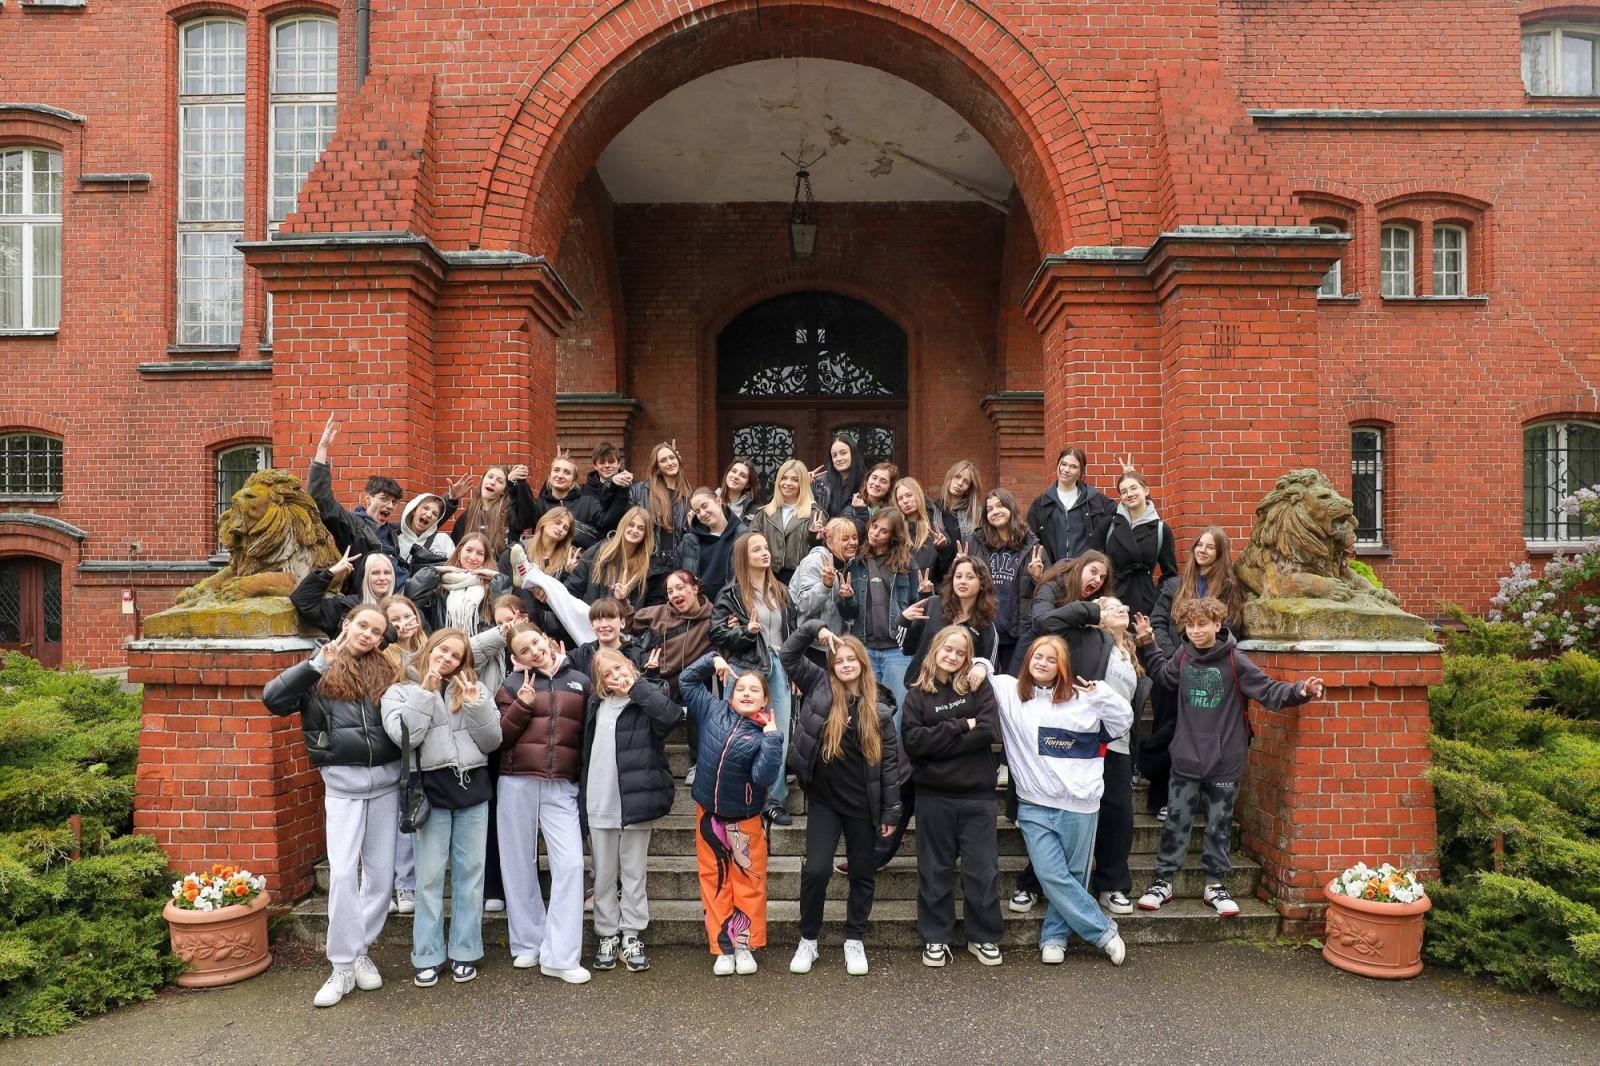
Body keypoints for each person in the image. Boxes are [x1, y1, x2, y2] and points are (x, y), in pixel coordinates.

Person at [1135, 597, 1325, 916]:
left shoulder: (1236, 660)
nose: (1195, 631)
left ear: (1217, 625)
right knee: (1177, 822)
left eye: (1202, 624)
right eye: (1190, 625)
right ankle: (1163, 882)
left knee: (1218, 826)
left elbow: (1268, 690)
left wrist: (1300, 691)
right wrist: (1147, 643)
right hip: (1185, 759)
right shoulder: (1183, 655)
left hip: (1224, 761)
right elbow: (1163, 677)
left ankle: (1214, 884)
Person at [262, 604, 401, 1007]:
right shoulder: (318, 666)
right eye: (363, 626)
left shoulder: (386, 669)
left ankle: (361, 952)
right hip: (342, 785)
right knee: (342, 873)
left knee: (380, 876)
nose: (368, 635)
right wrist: (314, 665)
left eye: (376, 631)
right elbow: (273, 700)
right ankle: (341, 964)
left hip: (386, 785)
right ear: (347, 624)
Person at [987, 635, 1133, 966]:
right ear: (1027, 660)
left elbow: (1123, 722)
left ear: (1062, 666)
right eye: (1037, 656)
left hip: (1080, 806)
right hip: (1034, 804)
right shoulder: (1011, 693)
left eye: (1051, 659)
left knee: (1072, 876)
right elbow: (979, 668)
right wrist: (981, 665)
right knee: (1051, 874)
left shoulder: (1084, 699)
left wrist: (1102, 694)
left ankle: (1054, 938)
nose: (1042, 663)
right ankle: (1103, 931)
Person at [780, 620, 902, 977]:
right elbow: (788, 655)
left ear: (863, 664)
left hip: (864, 805)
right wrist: (816, 629)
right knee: (816, 870)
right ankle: (809, 940)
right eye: (839, 659)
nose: (845, 664)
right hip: (825, 801)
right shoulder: (819, 685)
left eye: (852, 659)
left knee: (862, 872)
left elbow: (891, 763)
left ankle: (854, 938)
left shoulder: (878, 708)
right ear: (831, 664)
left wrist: (891, 813)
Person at [382, 628, 501, 987]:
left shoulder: (474, 689)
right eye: (443, 651)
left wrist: (475, 701)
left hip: (472, 787)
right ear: (430, 648)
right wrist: (426, 692)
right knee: (430, 878)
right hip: (431, 790)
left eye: (456, 656)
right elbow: (405, 737)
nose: (447, 659)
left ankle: (465, 951)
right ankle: (427, 955)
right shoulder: (400, 690)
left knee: (470, 875)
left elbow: (492, 741)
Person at [495, 625, 593, 984]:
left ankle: (561, 955)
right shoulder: (509, 685)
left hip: (561, 785)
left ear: (548, 640)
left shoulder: (581, 681)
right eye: (525, 649)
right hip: (516, 780)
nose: (534, 651)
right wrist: (521, 705)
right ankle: (527, 943)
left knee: (569, 864)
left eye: (536, 642)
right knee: (518, 862)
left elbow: (588, 734)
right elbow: (499, 738)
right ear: (516, 658)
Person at [902, 625, 1003, 967]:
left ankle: (984, 936)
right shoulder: (918, 694)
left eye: (961, 652)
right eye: (948, 649)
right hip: (933, 795)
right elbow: (914, 743)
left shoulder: (979, 686)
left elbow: (988, 730)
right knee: (935, 869)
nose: (953, 656)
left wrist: (938, 742)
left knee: (982, 870)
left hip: (977, 795)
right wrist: (962, 726)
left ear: (967, 657)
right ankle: (935, 937)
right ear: (935, 649)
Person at [678, 651, 784, 976]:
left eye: (755, 690)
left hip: (744, 819)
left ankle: (744, 945)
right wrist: (712, 660)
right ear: (731, 692)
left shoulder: (764, 734)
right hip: (709, 816)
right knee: (714, 880)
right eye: (741, 689)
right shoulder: (713, 710)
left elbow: (764, 778)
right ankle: (722, 947)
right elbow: (686, 681)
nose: (747, 694)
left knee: (747, 882)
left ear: (765, 699)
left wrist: (773, 740)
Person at [581, 647, 683, 974]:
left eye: (619, 668)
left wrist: (638, 688)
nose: (615, 676)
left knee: (634, 873)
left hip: (636, 800)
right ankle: (607, 934)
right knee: (604, 875)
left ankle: (631, 934)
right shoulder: (595, 704)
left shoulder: (648, 696)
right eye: (607, 673)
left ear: (630, 665)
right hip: (599, 799)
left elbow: (670, 717)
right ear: (600, 680)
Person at [1143, 526, 1246, 820]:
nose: (1202, 550)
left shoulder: (1228, 589)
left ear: (1220, 553)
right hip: (1172, 670)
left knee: (1201, 736)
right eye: (1199, 545)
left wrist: (1204, 656)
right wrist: (1172, 654)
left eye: (1209, 547)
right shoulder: (1174, 585)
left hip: (1208, 674)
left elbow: (1232, 628)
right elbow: (1158, 622)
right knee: (1168, 733)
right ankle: (1162, 798)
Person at [709, 532, 795, 825]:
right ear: (743, 557)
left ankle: (774, 799)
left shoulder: (780, 590)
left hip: (780, 666)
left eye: (766, 547)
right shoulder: (731, 593)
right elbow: (717, 633)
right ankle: (737, 795)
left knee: (778, 732)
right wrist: (747, 632)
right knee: (736, 734)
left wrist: (795, 669)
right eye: (757, 549)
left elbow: (792, 634)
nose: (765, 552)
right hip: (745, 668)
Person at [632, 570, 715, 780]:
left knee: (698, 693)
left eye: (680, 588)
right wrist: (622, 598)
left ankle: (698, 764)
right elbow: (627, 620)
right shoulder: (660, 612)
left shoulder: (713, 618)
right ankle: (646, 762)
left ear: (695, 588)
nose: (674, 594)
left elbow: (727, 640)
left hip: (690, 682)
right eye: (670, 591)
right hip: (661, 679)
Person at [836, 509, 920, 714]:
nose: (876, 533)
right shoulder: (855, 564)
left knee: (896, 712)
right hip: (864, 649)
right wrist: (846, 599)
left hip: (897, 650)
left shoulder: (906, 564)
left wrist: (926, 594)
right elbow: (849, 614)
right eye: (874, 526)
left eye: (883, 531)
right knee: (865, 712)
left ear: (893, 536)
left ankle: (893, 748)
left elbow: (917, 607)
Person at [306, 413, 407, 579]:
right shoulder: (353, 524)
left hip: (398, 594)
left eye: (394, 502)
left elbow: (419, 521)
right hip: (369, 596)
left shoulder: (392, 531)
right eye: (384, 499)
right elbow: (321, 500)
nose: (390, 506)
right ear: (368, 498)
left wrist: (450, 500)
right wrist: (322, 449)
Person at [965, 488, 1046, 670]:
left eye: (1000, 506)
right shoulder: (974, 543)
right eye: (990, 509)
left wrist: (1037, 578)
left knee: (1012, 687)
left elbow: (1048, 591)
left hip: (1017, 634)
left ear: (1011, 508)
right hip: (982, 629)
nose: (995, 512)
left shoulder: (1032, 546)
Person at [900, 556, 1001, 690]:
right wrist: (904, 620)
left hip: (957, 699)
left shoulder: (986, 626)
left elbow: (989, 666)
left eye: (970, 577)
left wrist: (981, 666)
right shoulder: (932, 605)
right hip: (919, 691)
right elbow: (906, 648)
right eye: (958, 576)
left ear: (982, 584)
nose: (962, 582)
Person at [1102, 468, 1179, 619]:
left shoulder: (1161, 530)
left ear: (1145, 490)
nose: (1129, 494)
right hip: (1112, 599)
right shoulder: (1108, 525)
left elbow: (1170, 575)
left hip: (1144, 602)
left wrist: (1154, 596)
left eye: (1133, 488)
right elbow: (1093, 560)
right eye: (1124, 491)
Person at [406, 533, 511, 634]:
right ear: (460, 551)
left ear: (485, 558)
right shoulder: (439, 582)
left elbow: (505, 613)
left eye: (480, 553)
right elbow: (412, 598)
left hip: (482, 647)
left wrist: (495, 576)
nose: (473, 557)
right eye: (469, 550)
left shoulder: (493, 585)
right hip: (445, 645)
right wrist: (436, 570)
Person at [1026, 447, 1115, 565]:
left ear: (1080, 472)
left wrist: (1131, 478)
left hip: (1084, 572)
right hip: (1052, 573)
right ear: (1058, 465)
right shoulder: (1041, 504)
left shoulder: (1095, 500)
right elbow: (1030, 541)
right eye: (1063, 464)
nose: (1066, 470)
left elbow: (1124, 514)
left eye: (1073, 466)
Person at [629, 441, 692, 605]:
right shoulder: (642, 490)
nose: (670, 462)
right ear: (657, 467)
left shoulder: (688, 495)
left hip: (677, 565)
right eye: (663, 460)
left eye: (672, 458)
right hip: (651, 565)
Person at [291, 546, 398, 637]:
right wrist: (330, 572)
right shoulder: (347, 606)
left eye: (387, 572)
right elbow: (303, 600)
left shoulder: (401, 608)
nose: (382, 578)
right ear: (364, 577)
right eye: (375, 573)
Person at [749, 458, 825, 585]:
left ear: (803, 483)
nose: (788, 483)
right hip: (767, 578)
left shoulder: (815, 514)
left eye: (795, 480)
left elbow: (820, 553)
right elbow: (749, 545)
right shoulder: (764, 513)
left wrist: (813, 536)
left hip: (800, 580)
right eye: (784, 478)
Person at [789, 517, 860, 650]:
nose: (852, 543)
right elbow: (803, 606)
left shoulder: (849, 564)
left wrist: (848, 599)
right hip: (812, 646)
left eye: (855, 537)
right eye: (845, 539)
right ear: (830, 543)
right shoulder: (814, 561)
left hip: (835, 643)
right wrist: (825, 585)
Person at [566, 506, 654, 608]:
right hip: (590, 617)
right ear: (623, 525)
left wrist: (624, 600)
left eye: (641, 528)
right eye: (631, 525)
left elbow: (646, 610)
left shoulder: (649, 566)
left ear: (646, 534)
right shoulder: (597, 551)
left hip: (624, 621)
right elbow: (573, 588)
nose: (635, 530)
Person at [679, 486, 747, 599]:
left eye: (705, 506)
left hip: (733, 607)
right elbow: (686, 581)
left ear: (718, 501)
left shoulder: (742, 535)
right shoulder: (691, 541)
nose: (703, 513)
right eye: (697, 511)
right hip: (701, 609)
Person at [891, 477, 958, 584]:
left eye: (909, 495)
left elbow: (947, 574)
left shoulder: (936, 532)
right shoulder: (894, 533)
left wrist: (944, 550)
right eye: (900, 498)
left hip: (928, 596)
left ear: (918, 496)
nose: (905, 501)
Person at [451, 464, 526, 560]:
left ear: (504, 490)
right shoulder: (467, 517)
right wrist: (451, 500)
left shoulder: (510, 516)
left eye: (499, 481)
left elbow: (528, 516)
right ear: (482, 481)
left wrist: (518, 484)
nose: (492, 482)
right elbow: (455, 550)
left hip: (498, 572)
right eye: (490, 477)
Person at [567, 596, 650, 680]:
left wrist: (652, 672)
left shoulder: (637, 655)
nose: (604, 625)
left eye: (610, 618)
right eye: (599, 619)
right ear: (591, 625)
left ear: (622, 623)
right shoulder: (583, 653)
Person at [812, 432, 865, 518]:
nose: (839, 459)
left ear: (853, 454)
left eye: (843, 453)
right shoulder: (819, 483)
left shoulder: (867, 483)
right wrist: (804, 483)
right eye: (834, 455)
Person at [397, 492, 455, 570]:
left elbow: (454, 567)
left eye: (435, 514)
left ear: (437, 521)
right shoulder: (396, 540)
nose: (428, 515)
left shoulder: (443, 540)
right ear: (414, 510)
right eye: (426, 508)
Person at [940, 460, 986, 541]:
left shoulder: (978, 514)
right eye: (957, 476)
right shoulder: (934, 510)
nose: (960, 483)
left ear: (969, 489)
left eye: (966, 482)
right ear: (949, 476)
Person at [843, 461, 898, 526]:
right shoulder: (852, 507)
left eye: (883, 481)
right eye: (874, 478)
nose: (877, 484)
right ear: (867, 480)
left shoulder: (892, 512)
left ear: (890, 488)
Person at [715, 457, 757, 524]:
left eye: (743, 476)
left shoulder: (754, 510)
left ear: (748, 484)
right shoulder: (711, 499)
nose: (736, 477)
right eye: (734, 471)